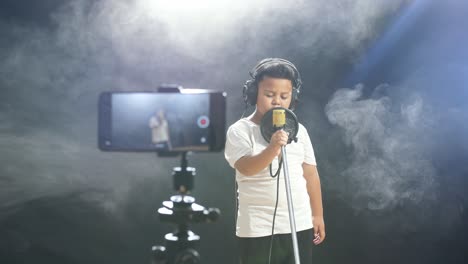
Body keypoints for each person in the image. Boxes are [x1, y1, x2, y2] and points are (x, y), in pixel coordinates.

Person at [224, 58, 325, 263]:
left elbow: (311, 174)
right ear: (254, 94)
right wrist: (273, 148)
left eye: (284, 96)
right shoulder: (240, 131)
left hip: (299, 223)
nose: (277, 101)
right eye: (269, 95)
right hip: (257, 227)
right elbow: (246, 168)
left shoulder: (299, 131)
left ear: (293, 98)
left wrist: (317, 215)